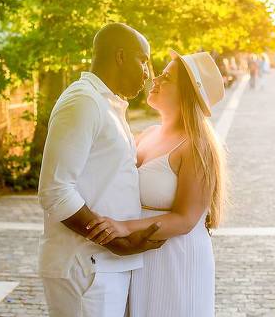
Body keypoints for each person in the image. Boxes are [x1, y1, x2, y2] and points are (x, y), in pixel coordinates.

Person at [38, 23, 165, 317]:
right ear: (120, 56)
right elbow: (54, 191)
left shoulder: (107, 104)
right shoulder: (83, 102)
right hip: (86, 267)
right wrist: (115, 241)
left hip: (102, 266)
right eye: (143, 59)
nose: (147, 72)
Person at [86, 50, 226, 317]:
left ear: (187, 94)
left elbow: (186, 219)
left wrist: (123, 227)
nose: (155, 79)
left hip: (176, 257)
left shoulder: (197, 146)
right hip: (139, 254)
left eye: (167, 77)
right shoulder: (147, 134)